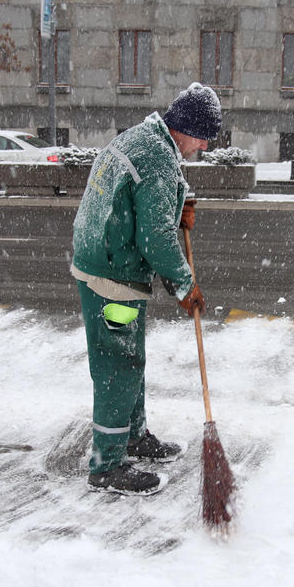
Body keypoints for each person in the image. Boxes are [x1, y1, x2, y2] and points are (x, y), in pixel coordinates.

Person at [70, 83, 221, 495]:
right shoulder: (157, 157)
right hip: (112, 278)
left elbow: (141, 201)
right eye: (204, 135)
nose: (204, 145)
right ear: (187, 127)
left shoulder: (147, 139)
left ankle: (132, 436)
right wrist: (185, 285)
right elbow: (154, 238)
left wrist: (177, 205)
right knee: (118, 366)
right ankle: (107, 465)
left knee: (130, 358)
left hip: (106, 260)